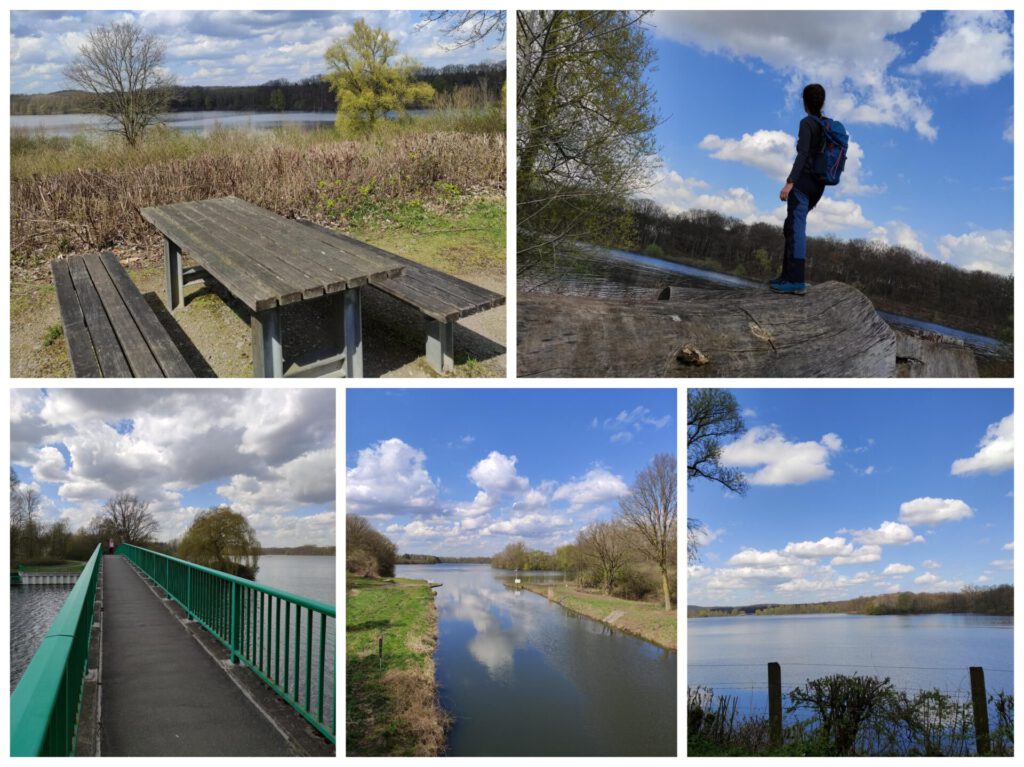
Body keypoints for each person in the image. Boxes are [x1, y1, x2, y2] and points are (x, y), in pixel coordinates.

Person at [773, 83, 828, 296]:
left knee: (796, 229)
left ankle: (795, 280)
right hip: (818, 186)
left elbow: (803, 154)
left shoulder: (807, 123)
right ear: (822, 102)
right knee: (790, 227)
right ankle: (786, 275)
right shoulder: (826, 126)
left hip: (803, 184)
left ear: (805, 102)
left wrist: (790, 182)